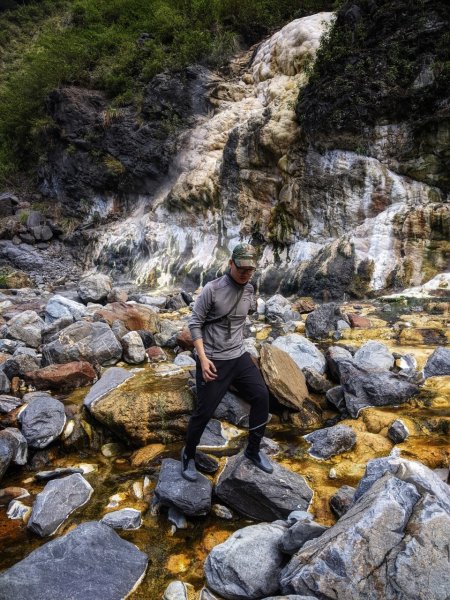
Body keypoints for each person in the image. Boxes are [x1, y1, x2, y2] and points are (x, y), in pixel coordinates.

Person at [181, 242, 273, 481]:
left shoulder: (250, 289)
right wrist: (202, 359)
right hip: (213, 360)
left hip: (238, 356)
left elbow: (243, 318)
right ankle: (188, 455)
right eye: (241, 268)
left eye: (249, 270)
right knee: (204, 412)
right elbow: (195, 324)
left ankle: (253, 450)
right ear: (230, 263)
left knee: (262, 396)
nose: (245, 273)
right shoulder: (212, 290)